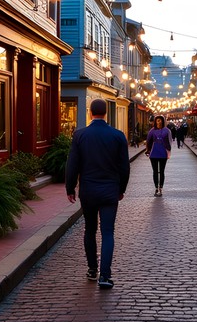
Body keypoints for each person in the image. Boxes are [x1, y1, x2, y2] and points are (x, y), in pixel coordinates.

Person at [65, 98, 131, 289]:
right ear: (106, 113)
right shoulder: (118, 136)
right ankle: (105, 275)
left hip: (88, 191)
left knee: (90, 230)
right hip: (110, 191)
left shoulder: (80, 135)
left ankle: (92, 269)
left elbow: (72, 164)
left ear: (90, 113)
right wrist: (121, 189)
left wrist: (70, 188)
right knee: (108, 232)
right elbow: (124, 168)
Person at [145, 114, 173, 197]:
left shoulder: (167, 131)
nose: (159, 122)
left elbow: (169, 141)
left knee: (161, 171)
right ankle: (156, 187)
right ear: (155, 121)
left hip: (163, 153)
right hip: (154, 153)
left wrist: (168, 150)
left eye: (160, 120)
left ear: (163, 121)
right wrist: (148, 150)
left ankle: (161, 187)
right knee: (155, 171)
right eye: (157, 120)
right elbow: (148, 141)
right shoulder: (152, 131)